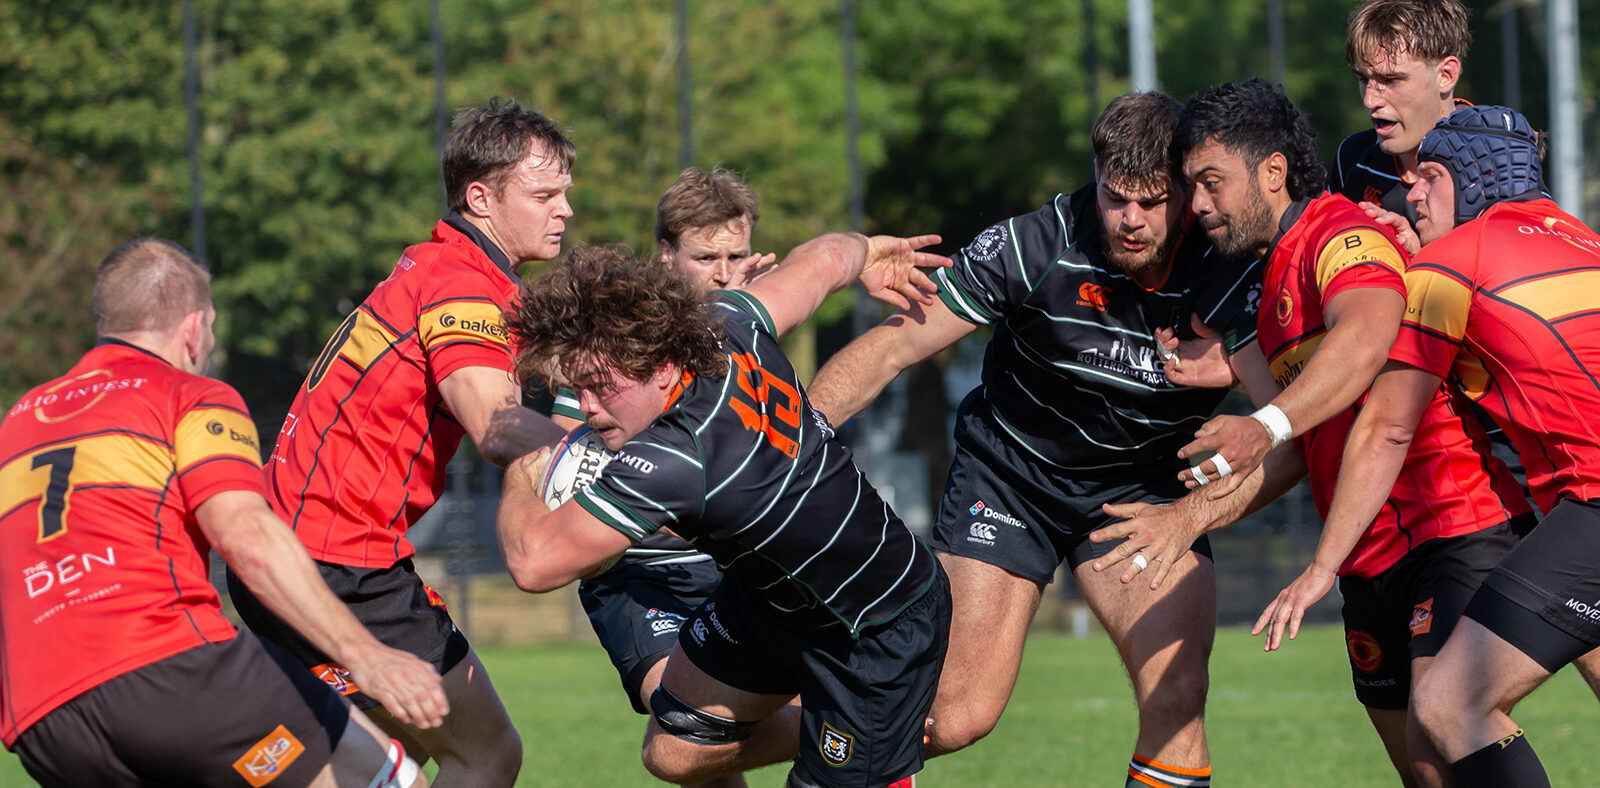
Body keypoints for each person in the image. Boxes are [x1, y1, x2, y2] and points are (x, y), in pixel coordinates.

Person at [807, 91, 1263, 788]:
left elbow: (1284, 422)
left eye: (1153, 201)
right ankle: (810, 737)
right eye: (1116, 199)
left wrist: (1198, 497)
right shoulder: (1035, 245)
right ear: (1095, 177)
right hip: (1012, 479)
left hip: (1137, 493)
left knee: (1177, 696)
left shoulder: (1225, 262)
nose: (1132, 220)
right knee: (956, 717)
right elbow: (891, 351)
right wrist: (789, 444)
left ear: (1185, 191)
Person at [497, 235, 952, 787]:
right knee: (675, 753)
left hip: (874, 621)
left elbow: (532, 563)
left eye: (599, 388)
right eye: (577, 389)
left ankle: (870, 738)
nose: (586, 409)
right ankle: (851, 737)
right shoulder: (725, 320)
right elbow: (823, 260)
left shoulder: (673, 458)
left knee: (932, 731)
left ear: (662, 367)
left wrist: (520, 482)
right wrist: (869, 250)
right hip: (769, 599)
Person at [0, 238, 448, 787]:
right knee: (389, 780)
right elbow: (246, 533)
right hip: (166, 669)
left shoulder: (18, 422)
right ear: (194, 327)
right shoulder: (188, 395)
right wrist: (366, 656)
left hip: (40, 712)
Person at [226, 99, 571, 787]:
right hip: (340, 564)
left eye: (565, 193)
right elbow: (496, 423)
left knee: (360, 764)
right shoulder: (463, 291)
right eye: (543, 194)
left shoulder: (433, 266)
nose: (563, 209)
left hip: (285, 546)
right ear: (481, 196)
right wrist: (606, 459)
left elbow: (545, 360)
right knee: (487, 752)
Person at [1296, 105, 1600, 788]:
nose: (1412, 194)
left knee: (1448, 703)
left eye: (1429, 177)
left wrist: (1323, 567)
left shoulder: (1450, 264)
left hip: (1593, 508)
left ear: (1471, 178)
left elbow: (1389, 427)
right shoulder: (1585, 240)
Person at [557, 167, 778, 788]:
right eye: (705, 256)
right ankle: (863, 731)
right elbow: (569, 440)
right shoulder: (618, 333)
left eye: (736, 255)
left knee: (703, 759)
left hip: (731, 564)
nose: (724, 271)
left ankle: (863, 737)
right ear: (665, 254)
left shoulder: (748, 329)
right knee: (685, 726)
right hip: (639, 573)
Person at [1328, 0, 1470, 249]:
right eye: (1363, 79)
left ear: (1446, 76)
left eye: (1391, 79)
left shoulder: (1499, 166)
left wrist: (1419, 262)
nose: (1370, 100)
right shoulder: (1352, 157)